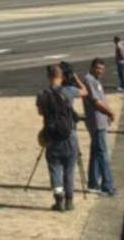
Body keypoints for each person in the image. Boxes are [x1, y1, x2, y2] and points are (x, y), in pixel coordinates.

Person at [36, 64, 87, 212]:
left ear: (48, 77)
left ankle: (59, 200)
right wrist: (76, 79)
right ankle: (70, 201)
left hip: (52, 136)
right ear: (62, 77)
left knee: (55, 168)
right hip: (70, 135)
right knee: (70, 169)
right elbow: (85, 92)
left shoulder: (42, 94)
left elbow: (40, 112)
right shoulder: (69, 91)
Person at [83, 58, 117, 197]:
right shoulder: (89, 79)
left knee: (96, 153)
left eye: (102, 69)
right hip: (97, 122)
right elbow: (96, 101)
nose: (100, 71)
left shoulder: (94, 80)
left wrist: (107, 113)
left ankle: (92, 183)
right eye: (97, 68)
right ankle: (107, 186)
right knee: (103, 154)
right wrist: (109, 112)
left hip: (100, 120)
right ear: (92, 67)